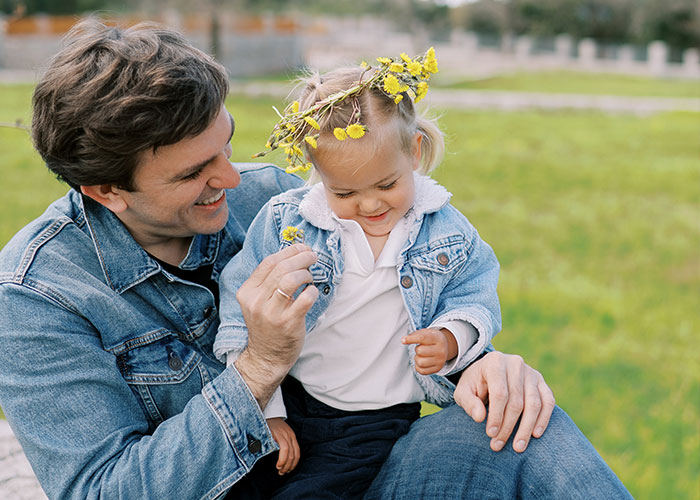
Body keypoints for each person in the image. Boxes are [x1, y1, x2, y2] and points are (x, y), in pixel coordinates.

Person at [0, 19, 632, 500]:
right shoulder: (36, 295)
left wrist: (482, 361)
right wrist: (258, 370)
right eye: (195, 171)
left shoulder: (280, 202)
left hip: (361, 464)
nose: (232, 176)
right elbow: (102, 491)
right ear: (106, 191)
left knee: (521, 427)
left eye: (225, 143)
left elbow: (393, 306)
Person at [213, 51, 503, 498]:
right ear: (318, 172)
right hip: (293, 400)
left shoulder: (445, 230)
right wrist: (266, 411)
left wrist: (450, 339)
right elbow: (244, 312)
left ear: (415, 151)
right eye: (344, 192)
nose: (370, 206)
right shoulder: (287, 223)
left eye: (387, 185)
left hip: (376, 420)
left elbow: (474, 293)